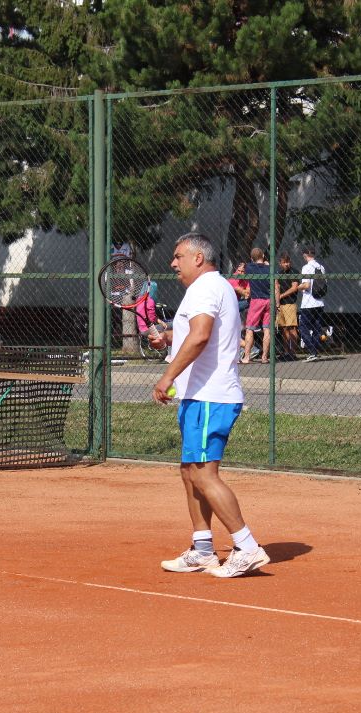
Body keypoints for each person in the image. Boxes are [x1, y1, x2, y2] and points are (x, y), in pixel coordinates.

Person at [148, 233, 270, 578]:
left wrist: (167, 377)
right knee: (190, 471)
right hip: (200, 396)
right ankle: (202, 549)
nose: (173, 263)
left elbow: (201, 335)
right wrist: (168, 337)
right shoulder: (214, 287)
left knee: (203, 473)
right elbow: (202, 333)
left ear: (198, 258)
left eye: (178, 256)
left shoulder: (205, 288)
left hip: (209, 396)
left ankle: (247, 547)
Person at [240, 247, 272, 364]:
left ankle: (247, 357)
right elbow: (275, 285)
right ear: (263, 256)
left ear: (252, 258)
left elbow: (242, 269)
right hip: (268, 300)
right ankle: (264, 357)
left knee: (249, 329)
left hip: (256, 300)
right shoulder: (269, 269)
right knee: (267, 329)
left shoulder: (249, 267)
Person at [298, 247, 326, 362]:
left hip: (308, 303)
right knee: (317, 328)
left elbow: (306, 285)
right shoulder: (321, 267)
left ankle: (312, 351)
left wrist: (297, 287)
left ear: (305, 255)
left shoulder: (306, 267)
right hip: (320, 302)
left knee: (303, 327)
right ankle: (314, 351)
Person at [275, 253, 300, 360]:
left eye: (288, 262)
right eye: (284, 262)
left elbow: (294, 287)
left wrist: (281, 295)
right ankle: (286, 352)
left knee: (292, 328)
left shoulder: (294, 272)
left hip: (290, 303)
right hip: (281, 305)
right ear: (280, 263)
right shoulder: (279, 273)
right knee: (284, 328)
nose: (286, 264)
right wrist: (277, 302)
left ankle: (293, 353)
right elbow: (276, 286)